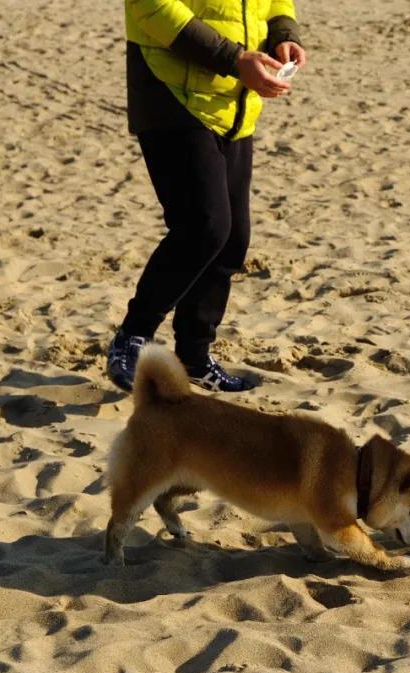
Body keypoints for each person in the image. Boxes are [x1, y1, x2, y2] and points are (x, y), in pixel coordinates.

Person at [108, 1, 306, 392]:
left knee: (233, 240)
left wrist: (284, 33)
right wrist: (233, 59)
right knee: (204, 226)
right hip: (169, 95)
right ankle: (132, 337)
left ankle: (193, 358)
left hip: (233, 103)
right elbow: (150, 7)